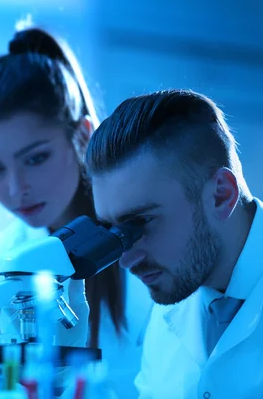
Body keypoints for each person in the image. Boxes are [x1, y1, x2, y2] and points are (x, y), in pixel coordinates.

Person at [0, 26, 153, 397]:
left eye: (36, 158)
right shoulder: (8, 251)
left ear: (83, 136)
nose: (15, 189)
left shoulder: (147, 240)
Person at [85, 89, 263, 398]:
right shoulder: (172, 302)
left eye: (141, 222)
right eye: (114, 230)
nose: (126, 260)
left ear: (220, 195)